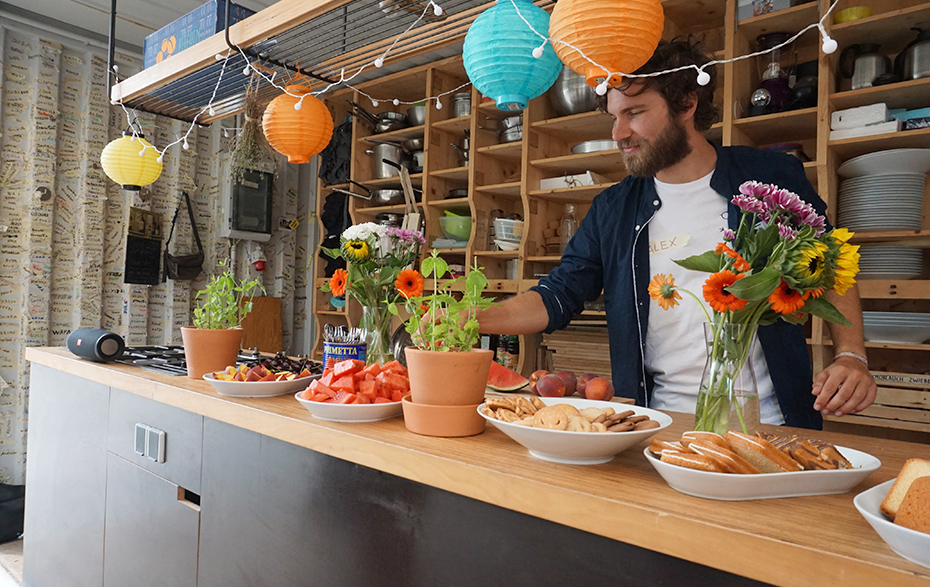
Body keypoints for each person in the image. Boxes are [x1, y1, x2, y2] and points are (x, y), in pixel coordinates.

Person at [476, 38, 876, 430]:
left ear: (686, 103)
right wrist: (474, 318)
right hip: (658, 424)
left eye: (634, 113)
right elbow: (558, 294)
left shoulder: (769, 178)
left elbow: (829, 264)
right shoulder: (612, 209)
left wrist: (852, 356)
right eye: (614, 117)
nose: (618, 133)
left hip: (774, 422)